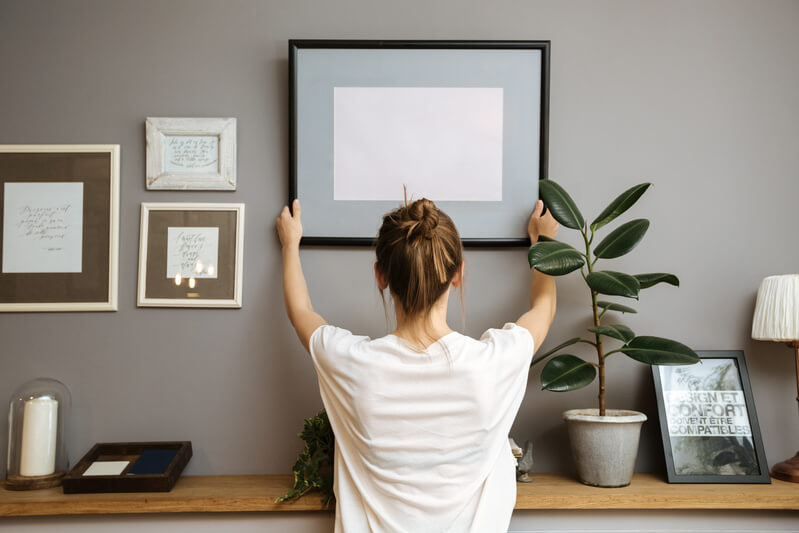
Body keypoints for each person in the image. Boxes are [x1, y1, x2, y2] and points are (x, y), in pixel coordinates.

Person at [276, 197, 558, 533]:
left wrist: (290, 244)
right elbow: (544, 309)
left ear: (380, 276)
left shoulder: (353, 364)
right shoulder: (492, 364)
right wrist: (544, 242)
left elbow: (301, 313)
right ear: (458, 274)